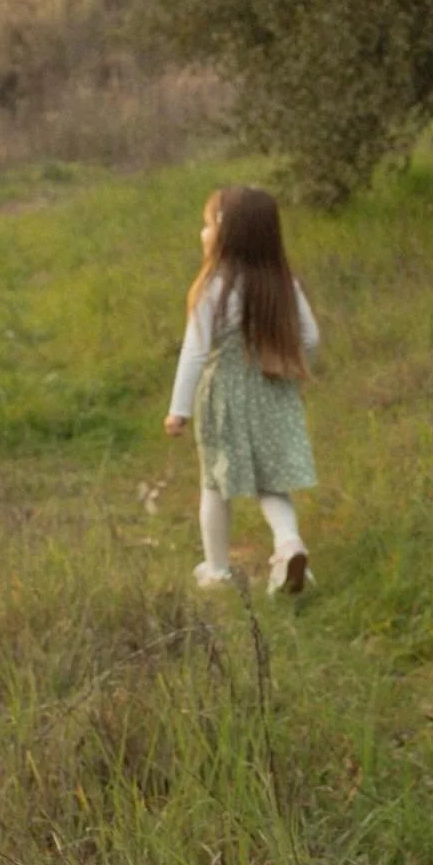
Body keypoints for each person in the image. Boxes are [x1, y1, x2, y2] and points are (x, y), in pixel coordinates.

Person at [164, 185, 320, 593]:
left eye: (206, 224)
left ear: (224, 232)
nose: (202, 233)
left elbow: (195, 353)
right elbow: (311, 338)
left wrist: (178, 409)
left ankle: (216, 571)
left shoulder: (214, 287)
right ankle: (289, 545)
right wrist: (283, 365)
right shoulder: (283, 282)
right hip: (272, 391)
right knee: (272, 482)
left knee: (215, 484)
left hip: (225, 398)